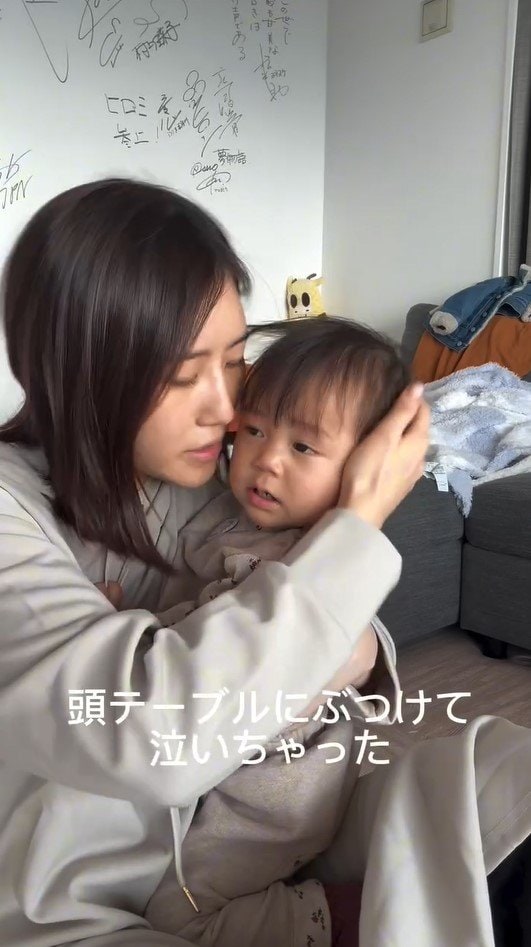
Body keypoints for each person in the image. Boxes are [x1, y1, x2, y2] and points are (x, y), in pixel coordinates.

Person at [0, 178, 429, 947]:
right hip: (60, 900)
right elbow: (154, 729)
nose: (227, 412)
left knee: (485, 779)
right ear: (78, 369)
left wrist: (355, 638)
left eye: (233, 363)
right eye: (180, 375)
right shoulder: (11, 512)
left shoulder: (200, 484)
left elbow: (313, 606)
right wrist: (356, 525)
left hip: (233, 823)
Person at [144, 317, 409, 947]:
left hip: (265, 802)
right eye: (256, 430)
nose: (265, 460)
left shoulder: (308, 565)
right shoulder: (226, 517)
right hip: (211, 771)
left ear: (366, 470)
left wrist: (121, 629)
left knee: (175, 915)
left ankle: (331, 916)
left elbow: (198, 649)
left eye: (304, 448)